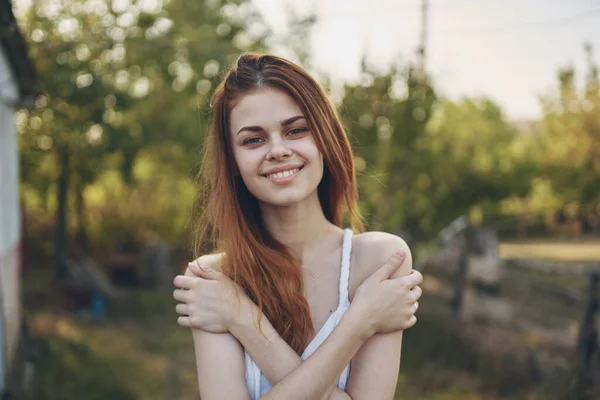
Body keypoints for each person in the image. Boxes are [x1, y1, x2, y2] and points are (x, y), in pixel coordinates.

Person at [172, 53, 424, 399]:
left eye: (296, 130)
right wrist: (359, 323)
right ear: (232, 161)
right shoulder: (213, 280)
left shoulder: (381, 260)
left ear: (324, 138)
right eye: (253, 140)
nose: (277, 150)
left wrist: (242, 320)